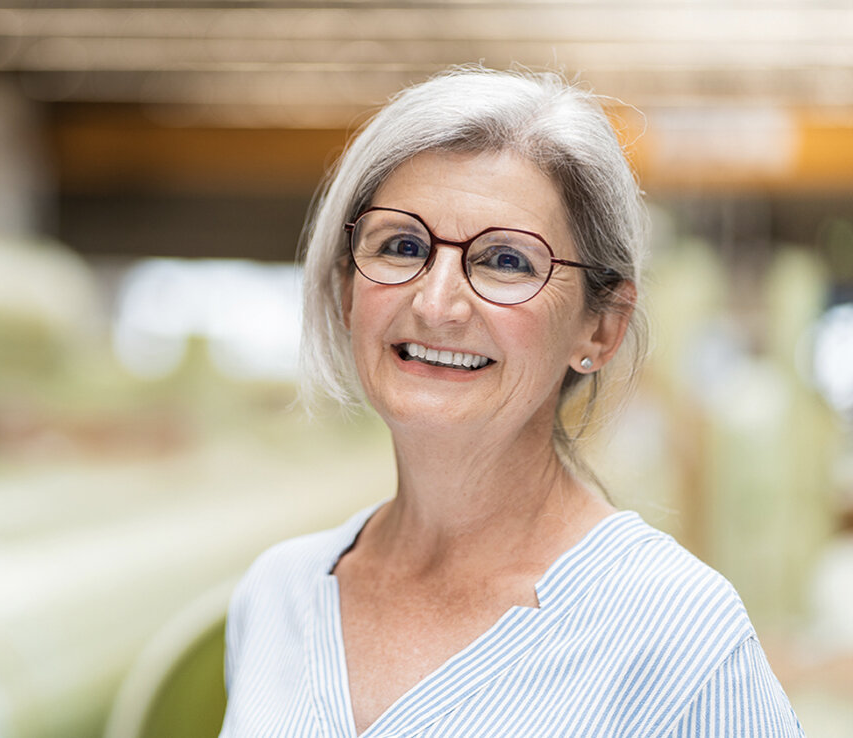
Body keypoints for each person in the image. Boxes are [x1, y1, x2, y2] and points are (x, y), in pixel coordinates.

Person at [219, 67, 804, 737]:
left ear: (600, 328)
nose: (436, 304)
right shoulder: (280, 594)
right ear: (347, 287)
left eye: (505, 261)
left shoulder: (679, 635)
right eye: (402, 246)